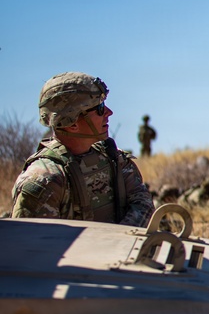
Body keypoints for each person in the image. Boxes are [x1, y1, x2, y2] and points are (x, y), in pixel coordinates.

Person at [11, 72, 155, 226]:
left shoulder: (115, 160)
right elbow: (32, 244)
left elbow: (143, 204)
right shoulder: (43, 181)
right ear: (72, 123)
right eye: (99, 108)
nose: (109, 112)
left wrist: (118, 240)